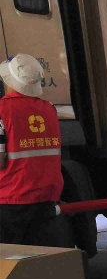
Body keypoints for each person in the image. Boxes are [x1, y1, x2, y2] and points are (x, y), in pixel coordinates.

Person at [0, 54, 72, 248]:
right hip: (45, 198)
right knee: (41, 257)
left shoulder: (2, 109)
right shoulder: (49, 109)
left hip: (10, 200)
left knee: (12, 260)